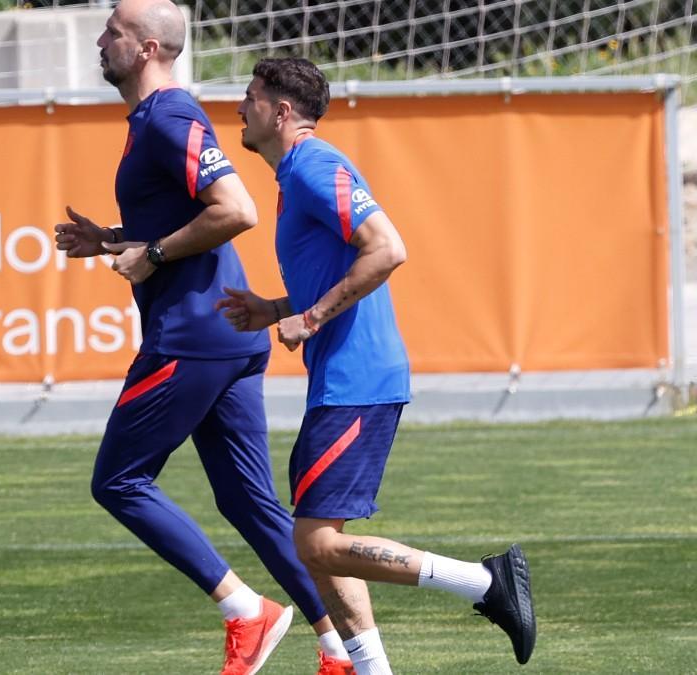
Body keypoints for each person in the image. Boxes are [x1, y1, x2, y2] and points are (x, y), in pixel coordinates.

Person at [54, 2, 353, 674]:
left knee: (119, 481)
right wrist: (112, 239)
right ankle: (343, 649)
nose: (101, 40)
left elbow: (236, 210)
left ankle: (246, 608)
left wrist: (154, 254)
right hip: (223, 335)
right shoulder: (153, 119)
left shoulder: (169, 117)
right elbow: (186, 217)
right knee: (248, 502)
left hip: (191, 338)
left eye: (113, 32)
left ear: (147, 48)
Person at [216, 56, 537, 674]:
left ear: (281, 112)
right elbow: (338, 270)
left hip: (356, 381)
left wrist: (309, 320)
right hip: (341, 382)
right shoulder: (297, 174)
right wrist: (275, 309)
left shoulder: (314, 164)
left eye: (250, 97)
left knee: (314, 542)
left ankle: (484, 582)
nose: (240, 108)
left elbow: (387, 248)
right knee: (318, 546)